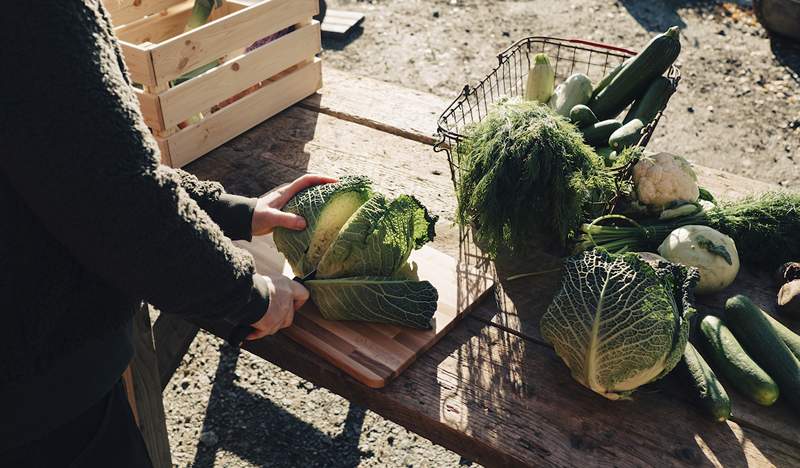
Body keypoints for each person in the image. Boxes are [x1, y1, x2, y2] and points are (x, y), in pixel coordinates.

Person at [0, 2, 333, 466]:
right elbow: (117, 201)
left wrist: (233, 213)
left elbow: (70, 163)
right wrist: (251, 294)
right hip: (39, 409)